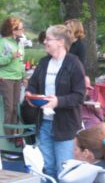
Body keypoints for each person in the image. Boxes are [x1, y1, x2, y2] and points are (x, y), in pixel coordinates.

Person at [26, 24, 86, 180]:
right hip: (44, 124)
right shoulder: (44, 62)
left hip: (65, 126)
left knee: (64, 170)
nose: (45, 42)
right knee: (47, 168)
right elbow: (32, 84)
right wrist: (30, 95)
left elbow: (79, 96)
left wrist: (58, 101)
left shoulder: (74, 63)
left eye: (48, 39)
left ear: (60, 42)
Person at [0, 17, 26, 135]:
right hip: (5, 78)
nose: (23, 31)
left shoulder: (20, 42)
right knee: (9, 108)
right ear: (13, 30)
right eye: (21, 28)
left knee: (16, 108)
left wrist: (24, 76)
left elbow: (21, 61)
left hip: (17, 78)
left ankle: (15, 134)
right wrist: (10, 57)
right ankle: (7, 137)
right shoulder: (2, 42)